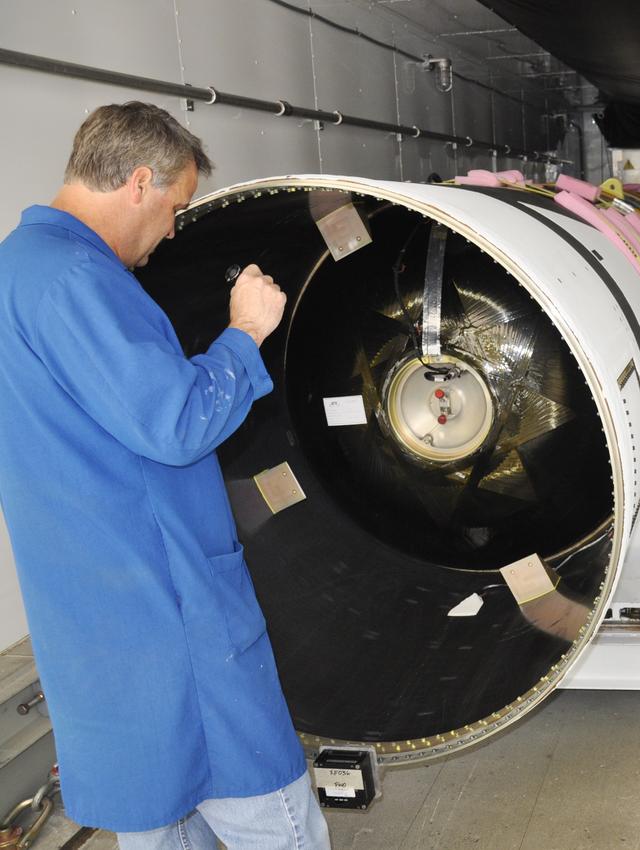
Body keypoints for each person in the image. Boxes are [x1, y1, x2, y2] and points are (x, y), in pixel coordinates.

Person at [0, 102, 330, 848]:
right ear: (140, 183)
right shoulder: (77, 279)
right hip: (168, 606)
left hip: (95, 612)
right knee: (271, 817)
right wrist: (246, 330)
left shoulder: (16, 267)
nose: (174, 230)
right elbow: (177, 423)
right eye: (176, 208)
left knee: (157, 812)